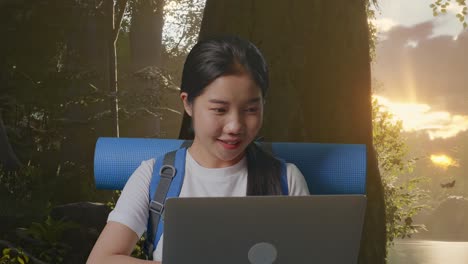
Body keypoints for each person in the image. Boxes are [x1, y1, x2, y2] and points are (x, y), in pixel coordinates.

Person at [87, 35, 310, 264]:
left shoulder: (285, 180)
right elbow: (101, 260)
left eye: (251, 109)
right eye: (219, 110)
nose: (235, 126)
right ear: (188, 104)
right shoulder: (156, 178)